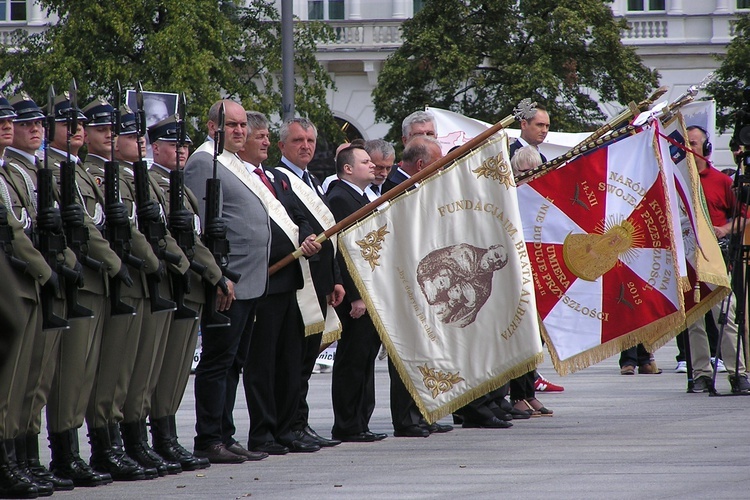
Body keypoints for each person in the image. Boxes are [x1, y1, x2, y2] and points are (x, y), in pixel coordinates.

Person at [184, 99, 271, 464]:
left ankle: (225, 433)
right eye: (230, 125)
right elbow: (203, 226)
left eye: (241, 125)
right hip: (228, 281)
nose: (239, 131)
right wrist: (219, 277)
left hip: (249, 281)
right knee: (218, 362)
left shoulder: (232, 162)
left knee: (234, 361)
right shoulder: (204, 162)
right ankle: (208, 438)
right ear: (211, 127)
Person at [82, 97, 161, 482]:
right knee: (110, 369)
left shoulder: (128, 176)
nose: (112, 137)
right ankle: (105, 446)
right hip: (112, 278)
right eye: (105, 131)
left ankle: (131, 440)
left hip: (136, 278)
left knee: (134, 368)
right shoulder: (92, 175)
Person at [237, 114, 322, 455]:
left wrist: (306, 235)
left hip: (289, 281)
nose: (266, 142)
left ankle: (286, 428)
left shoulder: (274, 178)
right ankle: (263, 432)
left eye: (266, 137)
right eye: (260, 136)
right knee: (262, 363)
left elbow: (298, 216)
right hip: (263, 280)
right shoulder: (240, 178)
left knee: (288, 360)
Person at [147, 115, 223, 471]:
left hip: (188, 286)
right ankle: (153, 440)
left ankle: (167, 437)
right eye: (174, 145)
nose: (181, 151)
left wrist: (216, 274)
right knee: (155, 369)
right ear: (155, 147)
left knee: (176, 369)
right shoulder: (152, 183)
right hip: (168, 283)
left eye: (185, 146)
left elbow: (194, 238)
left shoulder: (182, 189)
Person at [0, 93, 62, 498]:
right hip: (15, 279)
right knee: (11, 379)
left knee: (29, 377)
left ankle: (20, 457)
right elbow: (12, 229)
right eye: (5, 120)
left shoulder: (15, 172)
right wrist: (46, 270)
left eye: (11, 120)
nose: (11, 125)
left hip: (25, 279)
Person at [274, 116, 345, 449]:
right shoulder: (278, 179)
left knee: (306, 360)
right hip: (299, 283)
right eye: (298, 140)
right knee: (293, 360)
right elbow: (297, 224)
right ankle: (289, 425)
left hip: (320, 281)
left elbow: (331, 237)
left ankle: (300, 423)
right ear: (282, 146)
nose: (305, 146)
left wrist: (335, 280)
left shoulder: (313, 180)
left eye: (310, 141)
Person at [328, 145, 388, 442]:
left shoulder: (364, 196)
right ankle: (348, 423)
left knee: (365, 357)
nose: (372, 166)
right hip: (357, 292)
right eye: (365, 162)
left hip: (371, 288)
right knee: (353, 358)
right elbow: (344, 251)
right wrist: (355, 295)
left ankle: (361, 420)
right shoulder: (340, 197)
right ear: (348, 168)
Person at [685, 125, 750, 393]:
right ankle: (700, 373)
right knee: (693, 320)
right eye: (685, 144)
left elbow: (744, 215)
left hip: (715, 257)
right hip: (687, 259)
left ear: (706, 148)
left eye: (694, 143)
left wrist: (724, 229)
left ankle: (738, 373)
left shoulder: (720, 181)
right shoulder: (675, 181)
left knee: (727, 314)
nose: (689, 148)